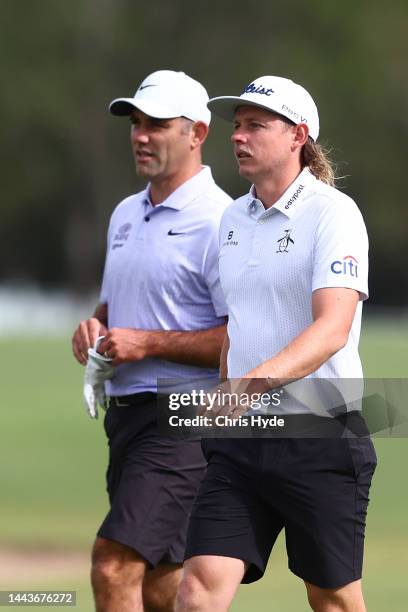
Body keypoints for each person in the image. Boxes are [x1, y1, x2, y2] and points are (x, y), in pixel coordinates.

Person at [176, 76, 377, 612]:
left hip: (319, 431)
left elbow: (332, 329)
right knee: (196, 590)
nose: (239, 137)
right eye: (237, 126)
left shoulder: (334, 213)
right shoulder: (231, 219)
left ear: (298, 136)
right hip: (242, 439)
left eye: (256, 126)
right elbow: (237, 324)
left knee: (331, 599)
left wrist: (248, 384)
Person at [71, 69, 231, 612]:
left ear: (197, 133)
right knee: (162, 585)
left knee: (113, 564)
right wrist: (94, 328)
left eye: (157, 125)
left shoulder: (222, 222)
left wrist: (149, 344)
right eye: (136, 123)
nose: (141, 135)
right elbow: (112, 308)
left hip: (186, 418)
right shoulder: (125, 213)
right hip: (128, 419)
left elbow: (240, 341)